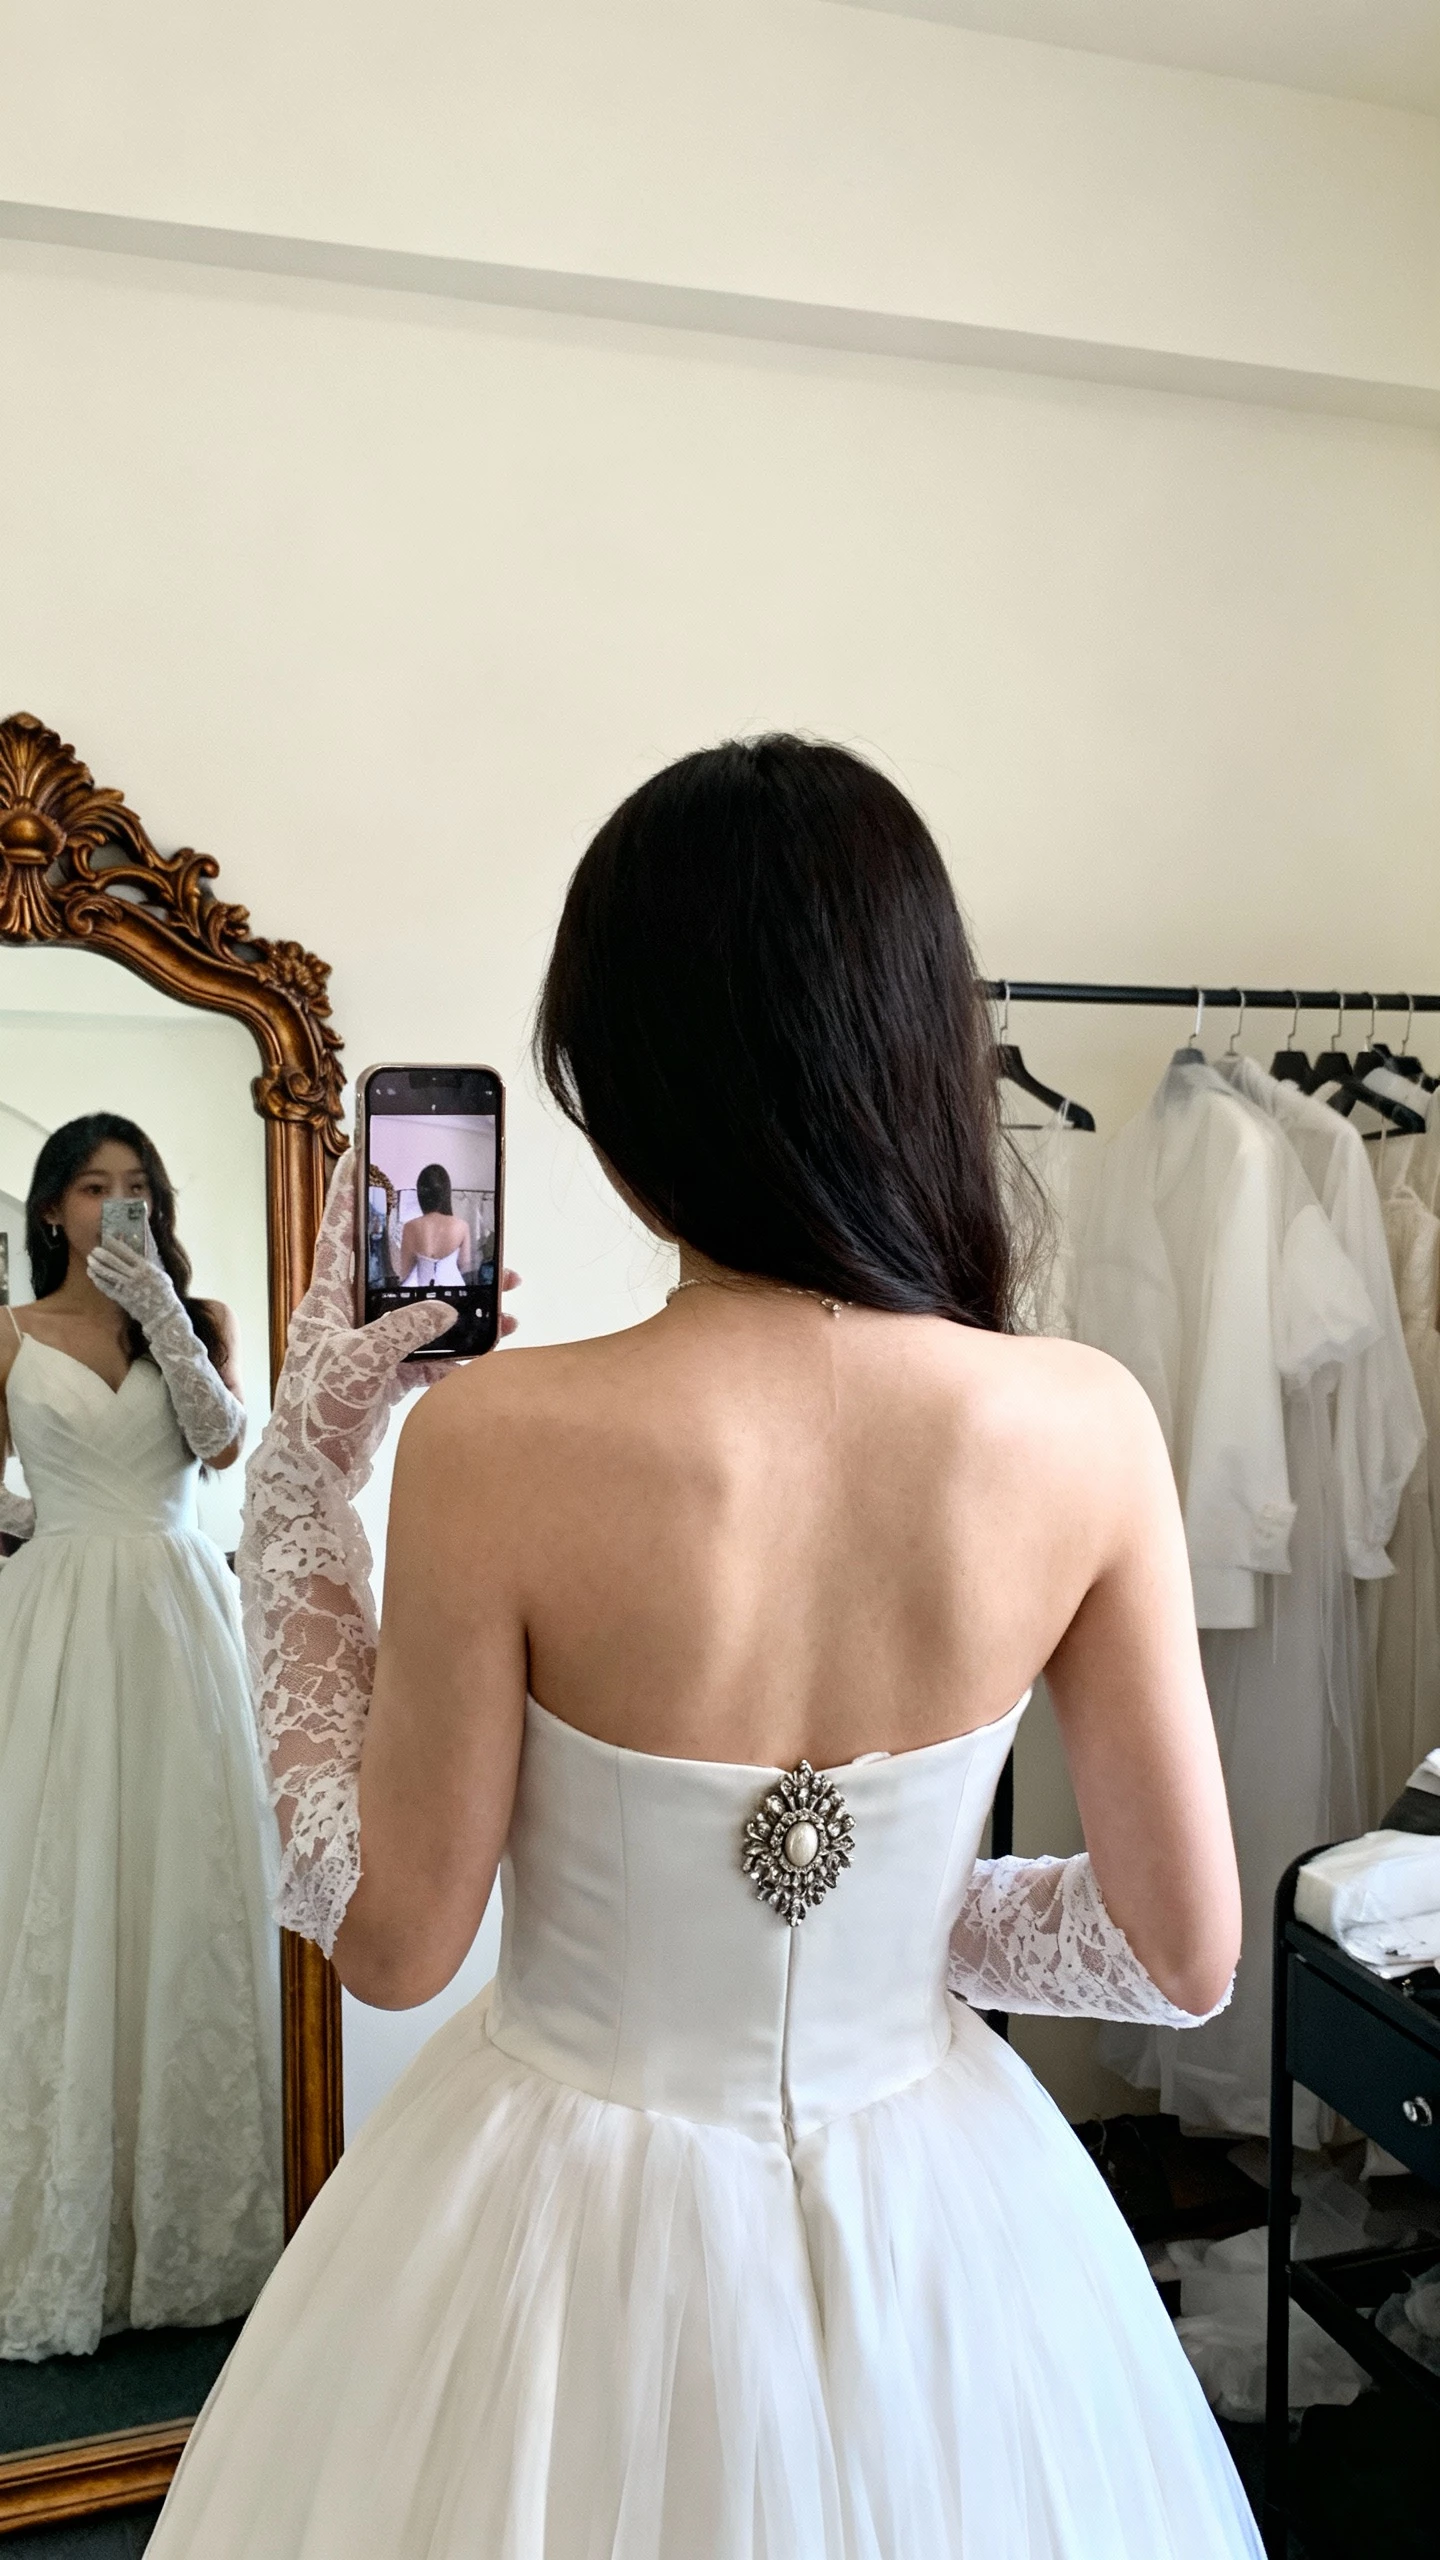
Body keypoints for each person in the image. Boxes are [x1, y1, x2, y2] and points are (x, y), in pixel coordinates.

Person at [151, 740, 1260, 2557]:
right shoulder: (1087, 1426)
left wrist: (295, 1504)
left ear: (625, 1090)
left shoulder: (501, 1443)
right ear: (914, 1056)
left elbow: (396, 1938)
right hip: (952, 2212)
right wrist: (887, 1926)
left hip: (558, 2220)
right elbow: (1182, 1951)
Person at [0, 1114, 282, 2360]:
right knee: (63, 1890)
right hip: (60, 1613)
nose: (116, 1202)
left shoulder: (199, 1318)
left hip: (179, 1620)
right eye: (92, 1186)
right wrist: (57, 1527)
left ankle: (188, 2237)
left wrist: (164, 1312)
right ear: (52, 1208)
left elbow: (225, 1443)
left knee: (186, 1896)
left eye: (136, 1186)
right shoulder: (7, 1334)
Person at [398, 1162, 471, 1287]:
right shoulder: (462, 1226)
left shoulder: (410, 1226)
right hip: (454, 1290)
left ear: (421, 1194)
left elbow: (405, 1270)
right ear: (446, 1193)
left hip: (419, 1293)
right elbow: (464, 1264)